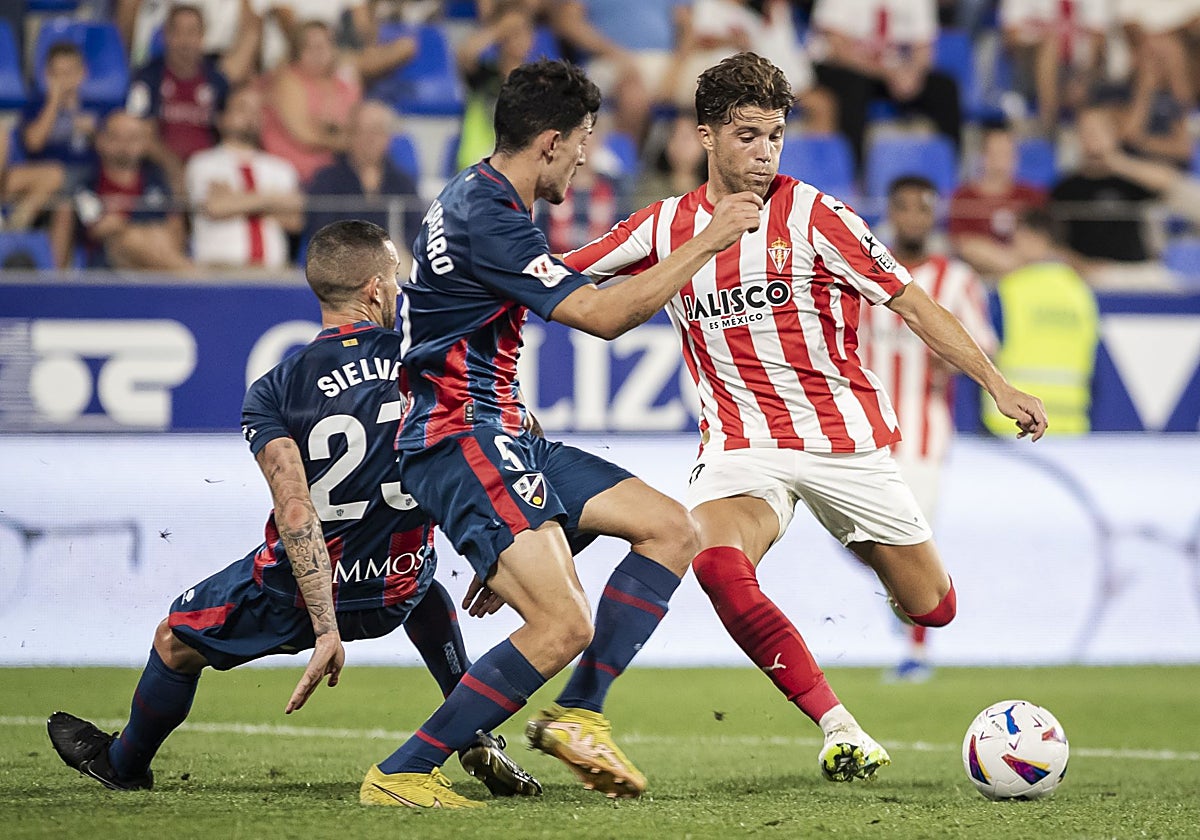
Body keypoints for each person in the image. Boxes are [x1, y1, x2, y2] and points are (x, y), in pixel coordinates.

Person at [564, 52, 1047, 782]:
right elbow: (554, 275)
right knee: (716, 563)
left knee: (932, 609)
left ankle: (861, 543)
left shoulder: (818, 216)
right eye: (747, 136)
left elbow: (913, 302)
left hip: (843, 445)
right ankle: (838, 724)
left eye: (775, 138)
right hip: (741, 444)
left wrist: (996, 383)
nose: (763, 155)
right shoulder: (664, 227)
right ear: (705, 136)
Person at [360, 59, 760, 809]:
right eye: (582, 142)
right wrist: (707, 240)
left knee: (671, 527)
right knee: (560, 623)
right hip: (461, 440)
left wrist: (523, 508)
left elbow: (472, 337)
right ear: (550, 141)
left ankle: (578, 715)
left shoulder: (476, 197)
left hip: (501, 433)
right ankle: (404, 770)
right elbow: (605, 318)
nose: (585, 157)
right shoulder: (492, 219)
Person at [45, 220, 539, 800]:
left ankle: (124, 763)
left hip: (302, 597)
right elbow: (510, 439)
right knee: (427, 586)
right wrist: (504, 548)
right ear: (378, 289)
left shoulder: (274, 389)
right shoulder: (433, 363)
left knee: (173, 643)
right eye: (399, 282)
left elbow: (295, 510)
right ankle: (473, 729)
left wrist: (326, 628)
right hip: (396, 589)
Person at [859, 175, 998, 681]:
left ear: (933, 214)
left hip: (922, 436)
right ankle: (907, 607)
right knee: (862, 542)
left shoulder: (955, 279)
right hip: (862, 432)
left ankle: (916, 649)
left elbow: (984, 345)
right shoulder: (861, 274)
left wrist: (954, 363)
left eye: (923, 207)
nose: (914, 217)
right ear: (892, 213)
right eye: (905, 208)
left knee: (912, 541)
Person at [983, 207, 1098, 435]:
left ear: (1037, 239)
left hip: (1015, 424)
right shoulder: (1081, 292)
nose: (1012, 246)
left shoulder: (1010, 290)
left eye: (1017, 238)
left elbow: (986, 348)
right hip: (1071, 424)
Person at [809, 0, 962, 170]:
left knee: (945, 88)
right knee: (853, 89)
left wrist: (912, 74)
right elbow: (838, 48)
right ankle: (854, 172)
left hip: (896, 70)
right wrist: (887, 73)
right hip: (844, 68)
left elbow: (924, 47)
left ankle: (952, 170)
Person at [185, 84, 305, 269]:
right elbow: (215, 207)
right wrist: (274, 200)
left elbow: (294, 220)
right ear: (221, 118)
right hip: (219, 268)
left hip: (272, 271)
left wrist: (236, 200)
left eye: (257, 110)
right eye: (242, 108)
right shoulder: (203, 163)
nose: (251, 116)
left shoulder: (281, 168)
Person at [126, 3, 231, 193]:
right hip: (159, 169)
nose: (185, 41)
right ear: (166, 35)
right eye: (177, 32)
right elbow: (142, 133)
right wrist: (172, 165)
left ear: (202, 37)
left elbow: (228, 130)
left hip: (210, 169)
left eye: (192, 32)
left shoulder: (217, 80)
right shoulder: (147, 77)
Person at [304, 100, 423, 257]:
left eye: (376, 131)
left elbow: (414, 233)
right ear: (350, 135)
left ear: (388, 138)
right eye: (362, 131)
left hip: (391, 263)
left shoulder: (403, 183)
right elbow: (321, 232)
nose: (369, 139)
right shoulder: (326, 180)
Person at [73, 112, 191, 270]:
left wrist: (124, 224)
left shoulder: (156, 178)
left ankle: (190, 278)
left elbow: (175, 226)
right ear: (101, 141)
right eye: (117, 137)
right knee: (130, 239)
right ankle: (197, 280)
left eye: (133, 138)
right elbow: (98, 228)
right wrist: (138, 232)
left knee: (158, 237)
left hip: (158, 260)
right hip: (108, 266)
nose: (125, 145)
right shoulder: (88, 184)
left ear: (144, 143)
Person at [261, 20, 363, 186]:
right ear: (297, 52)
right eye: (310, 47)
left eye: (324, 45)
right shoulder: (288, 80)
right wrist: (343, 141)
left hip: (338, 173)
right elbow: (305, 135)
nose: (319, 53)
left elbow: (357, 126)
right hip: (295, 174)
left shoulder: (345, 84)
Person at [948, 122, 1047, 280]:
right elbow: (964, 245)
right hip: (979, 278)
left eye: (1007, 154)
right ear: (982, 156)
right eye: (995, 153)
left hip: (1029, 279)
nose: (1001, 161)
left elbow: (1041, 244)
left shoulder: (1031, 196)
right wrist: (1008, 260)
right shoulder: (964, 197)